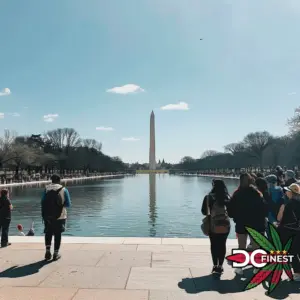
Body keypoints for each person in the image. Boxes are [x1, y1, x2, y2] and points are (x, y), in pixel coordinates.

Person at [227, 173, 268, 275]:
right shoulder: (257, 193)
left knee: (241, 246)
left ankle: (240, 267)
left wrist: (236, 217)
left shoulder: (237, 193)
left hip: (241, 222)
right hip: (256, 223)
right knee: (256, 246)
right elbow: (264, 208)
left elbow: (230, 209)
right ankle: (257, 267)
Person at [201, 179, 231, 275]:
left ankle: (215, 265)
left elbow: (204, 212)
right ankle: (221, 266)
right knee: (222, 244)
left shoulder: (209, 197)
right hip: (225, 224)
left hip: (213, 224)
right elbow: (231, 212)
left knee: (214, 245)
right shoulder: (227, 197)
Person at [41, 174, 71, 261]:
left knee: (48, 233)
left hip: (47, 216)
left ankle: (47, 251)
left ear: (51, 180)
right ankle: (56, 253)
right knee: (58, 234)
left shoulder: (46, 189)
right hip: (60, 216)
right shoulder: (63, 189)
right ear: (59, 180)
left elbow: (42, 201)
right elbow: (68, 204)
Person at [277, 183, 300, 281]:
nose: (286, 192)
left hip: (288, 231)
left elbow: (279, 219)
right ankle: (297, 273)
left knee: (291, 252)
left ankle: (296, 273)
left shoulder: (287, 205)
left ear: (291, 193)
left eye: (287, 191)